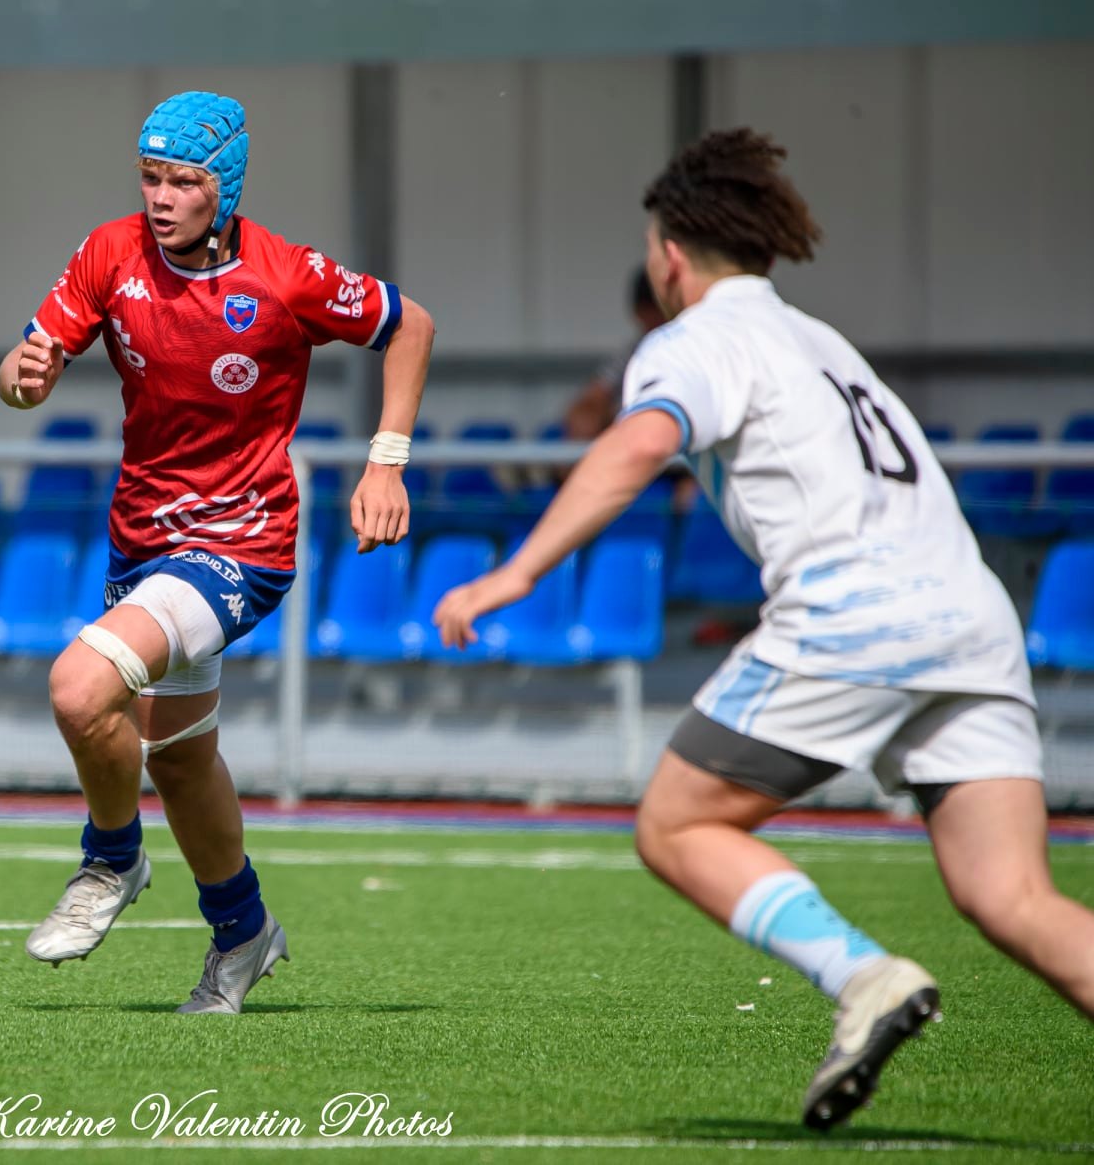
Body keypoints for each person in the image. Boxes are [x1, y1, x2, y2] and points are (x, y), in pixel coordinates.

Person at [432, 128, 1093, 1128]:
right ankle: (871, 978)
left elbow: (639, 442)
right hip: (974, 616)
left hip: (857, 612)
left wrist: (515, 573)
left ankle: (864, 976)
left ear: (668, 257)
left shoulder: (696, 340)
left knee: (678, 823)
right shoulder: (824, 343)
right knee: (1011, 900)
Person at [0, 91, 434, 1013]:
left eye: (184, 181)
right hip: (141, 536)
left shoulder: (286, 274)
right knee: (182, 761)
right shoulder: (108, 252)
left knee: (81, 686)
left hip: (244, 543)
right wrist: (22, 378)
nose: (161, 197)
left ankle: (110, 861)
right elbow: (25, 366)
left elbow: (410, 325)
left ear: (223, 188)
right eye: (150, 177)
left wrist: (385, 463)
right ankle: (243, 933)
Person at [562, 268, 668, 442]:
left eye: (660, 310)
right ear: (638, 312)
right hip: (634, 445)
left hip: (677, 451)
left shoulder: (689, 351)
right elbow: (590, 403)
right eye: (649, 311)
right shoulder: (632, 353)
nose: (657, 319)